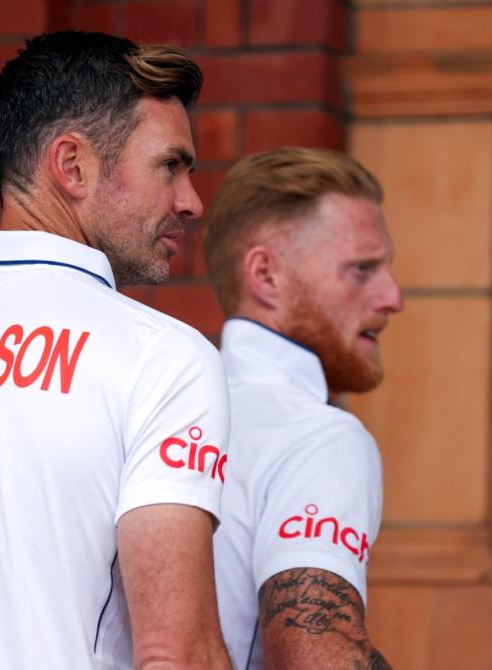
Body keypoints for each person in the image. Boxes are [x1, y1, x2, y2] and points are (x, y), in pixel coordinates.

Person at [0, 31, 231, 669]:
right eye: (170, 165)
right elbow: (177, 654)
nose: (190, 201)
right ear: (72, 165)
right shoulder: (162, 359)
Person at [204, 147, 403, 669]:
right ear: (266, 275)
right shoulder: (316, 436)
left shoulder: (159, 408)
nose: (392, 297)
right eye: (361, 270)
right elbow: (313, 654)